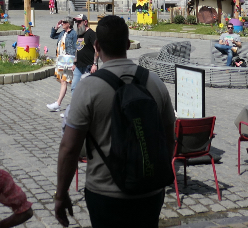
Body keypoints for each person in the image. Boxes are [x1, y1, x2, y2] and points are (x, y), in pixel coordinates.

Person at [54, 15, 176, 228]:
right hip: (150, 191)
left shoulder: (88, 88)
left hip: (105, 191)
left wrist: (61, 193)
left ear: (97, 46)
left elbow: (69, 148)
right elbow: (168, 137)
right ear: (128, 45)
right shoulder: (154, 82)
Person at [47, 18, 77, 112]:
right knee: (63, 81)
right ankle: (58, 104)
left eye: (64, 22)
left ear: (69, 24)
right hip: (61, 61)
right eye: (62, 22)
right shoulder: (62, 33)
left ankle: (61, 104)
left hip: (69, 60)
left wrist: (75, 62)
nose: (62, 24)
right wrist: (56, 27)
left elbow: (77, 48)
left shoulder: (73, 34)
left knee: (67, 82)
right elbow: (52, 36)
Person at [71, 13, 98, 95]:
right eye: (76, 22)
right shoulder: (79, 34)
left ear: (85, 22)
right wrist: (75, 63)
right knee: (74, 87)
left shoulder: (91, 34)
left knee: (88, 89)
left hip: (88, 67)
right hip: (78, 66)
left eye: (79, 22)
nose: (77, 24)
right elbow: (77, 49)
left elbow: (97, 50)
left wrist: (95, 64)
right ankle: (75, 106)